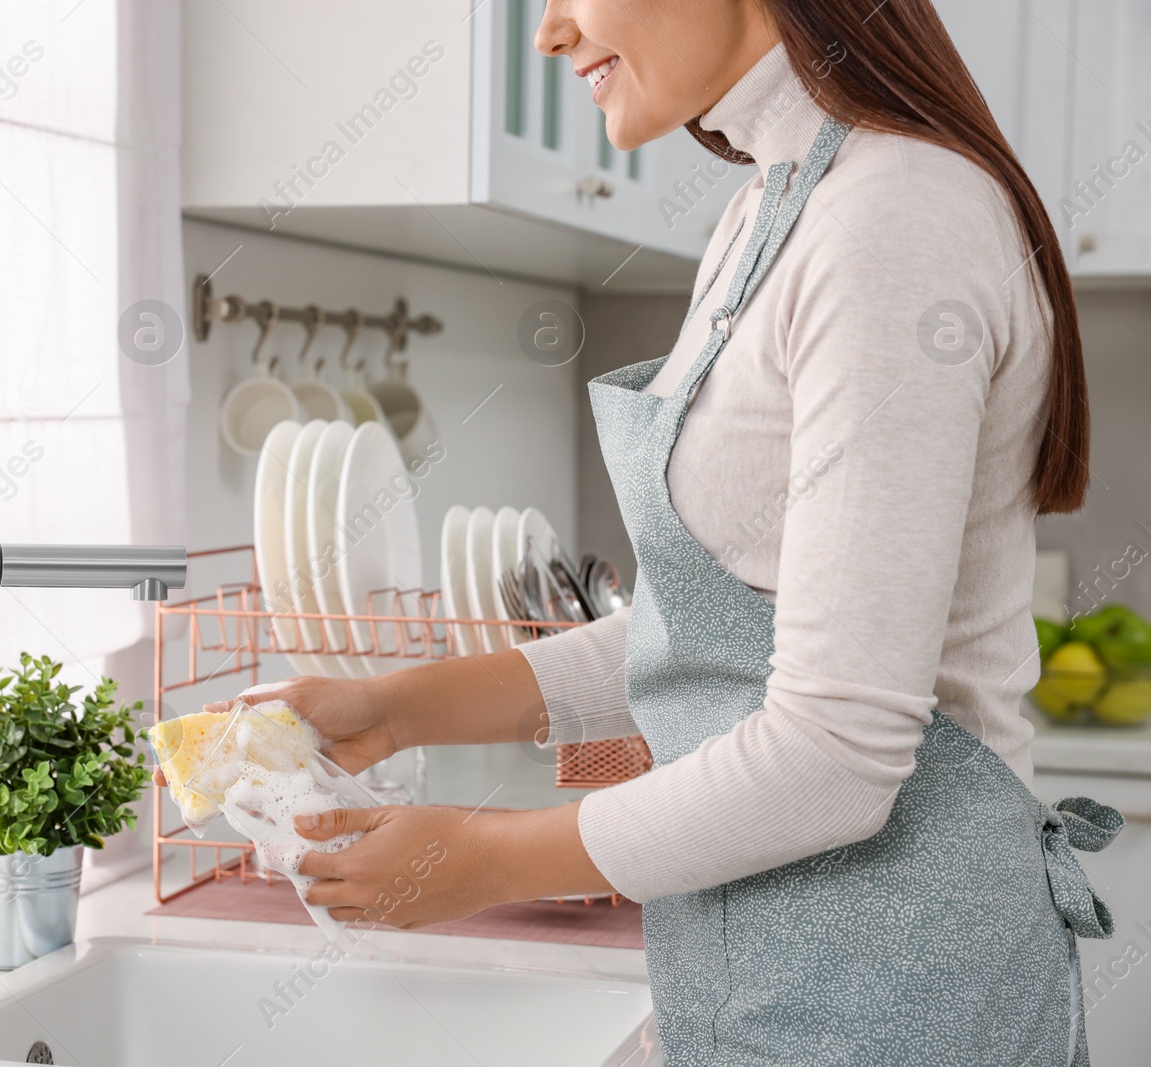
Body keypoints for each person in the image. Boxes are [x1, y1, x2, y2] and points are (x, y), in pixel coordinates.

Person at [179, 1, 1125, 1062]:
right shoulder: (772, 204)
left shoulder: (896, 214)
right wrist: (398, 708)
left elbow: (836, 753)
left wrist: (485, 855)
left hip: (898, 999)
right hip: (762, 982)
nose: (546, 33)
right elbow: (711, 633)